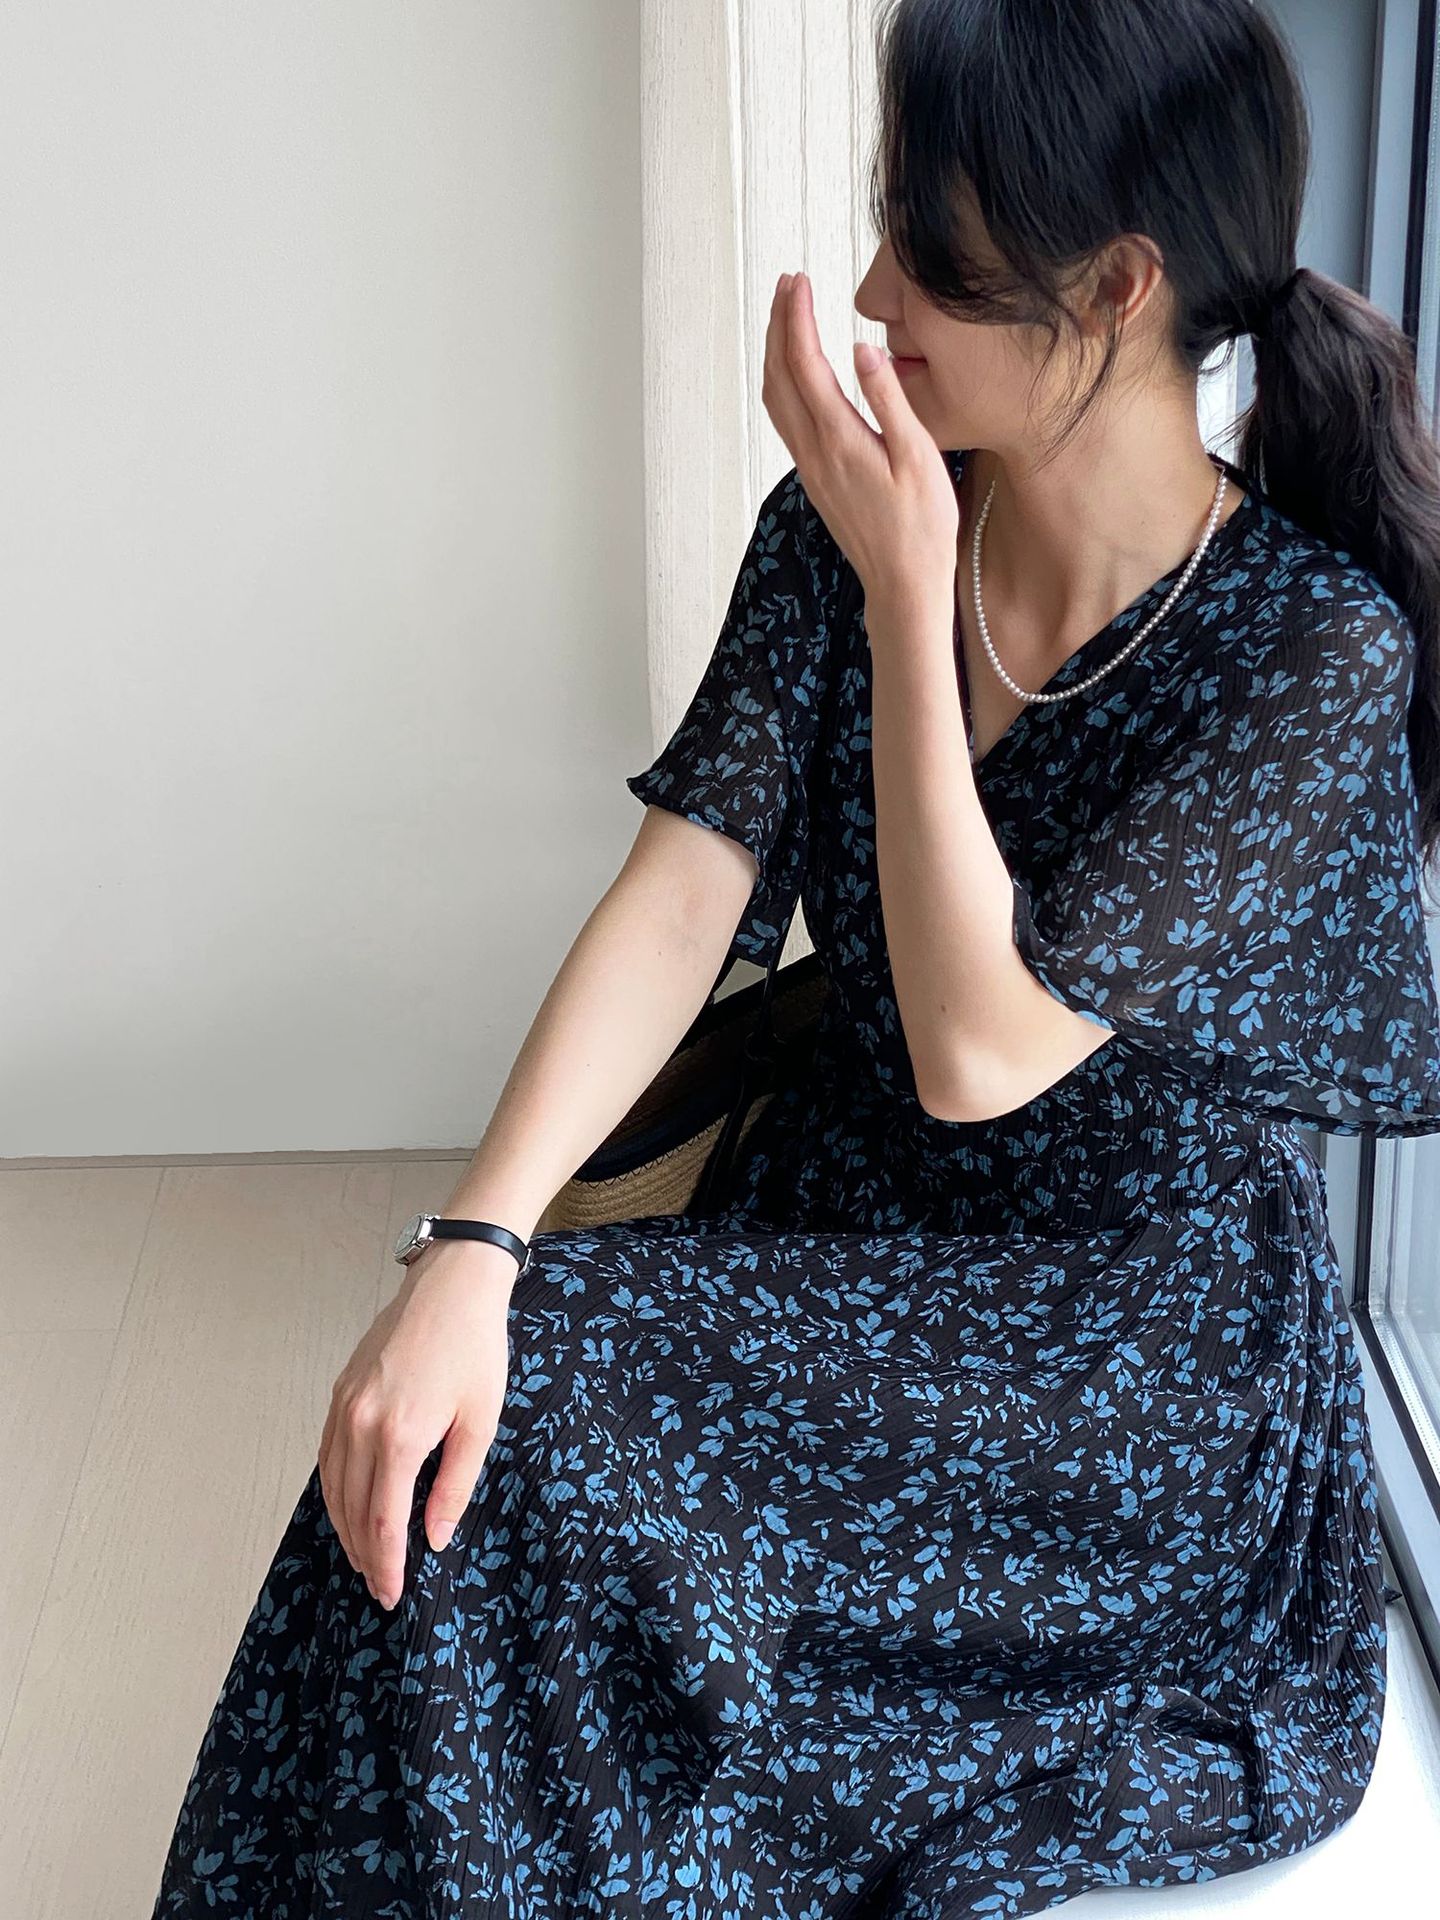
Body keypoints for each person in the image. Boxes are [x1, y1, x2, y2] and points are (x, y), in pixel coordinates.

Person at [152, 2, 1440, 1915]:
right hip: (855, 1232)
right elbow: (684, 893)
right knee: (454, 1413)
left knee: (539, 1424)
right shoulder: (844, 522)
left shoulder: (1305, 651)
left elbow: (979, 1050)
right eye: (887, 216)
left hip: (1119, 1368)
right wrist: (474, 1246)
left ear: (1117, 287)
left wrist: (910, 593)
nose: (870, 292)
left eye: (935, 251)